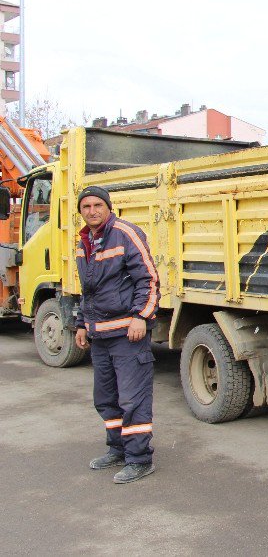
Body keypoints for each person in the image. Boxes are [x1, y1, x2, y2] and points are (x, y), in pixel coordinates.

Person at [72, 185, 161, 484]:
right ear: (80, 211)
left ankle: (139, 459)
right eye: (86, 206)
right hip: (100, 336)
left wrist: (140, 317)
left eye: (98, 205)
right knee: (106, 398)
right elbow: (87, 289)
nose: (92, 210)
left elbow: (148, 280)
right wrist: (82, 324)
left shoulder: (125, 233)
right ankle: (118, 450)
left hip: (128, 334)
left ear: (108, 207)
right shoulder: (84, 240)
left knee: (132, 399)